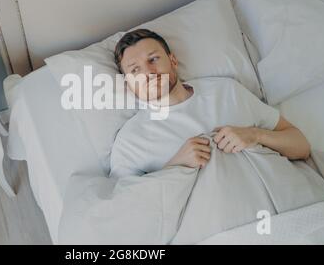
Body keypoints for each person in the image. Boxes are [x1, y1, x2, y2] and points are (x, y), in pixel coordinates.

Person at [109, 28, 311, 178]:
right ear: (128, 84)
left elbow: (301, 146)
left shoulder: (226, 91)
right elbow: (128, 207)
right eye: (135, 70)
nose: (149, 73)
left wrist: (255, 135)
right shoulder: (131, 141)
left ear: (173, 61)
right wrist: (174, 166)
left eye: (153, 59)